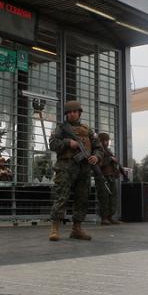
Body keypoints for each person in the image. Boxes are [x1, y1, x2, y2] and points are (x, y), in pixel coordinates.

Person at [48, 100, 102, 241]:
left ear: (79, 113)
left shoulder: (87, 129)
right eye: (69, 112)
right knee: (61, 196)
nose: (72, 114)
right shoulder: (61, 128)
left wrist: (96, 157)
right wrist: (68, 143)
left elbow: (98, 147)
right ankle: (55, 228)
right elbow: (53, 144)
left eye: (74, 112)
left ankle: (76, 229)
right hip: (65, 167)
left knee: (82, 198)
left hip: (84, 168)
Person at [96, 132, 121, 225]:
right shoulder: (98, 151)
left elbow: (113, 163)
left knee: (112, 197)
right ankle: (104, 217)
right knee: (104, 197)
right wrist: (110, 159)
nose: (106, 142)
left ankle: (110, 216)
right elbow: (99, 164)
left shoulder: (108, 151)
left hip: (110, 176)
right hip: (102, 177)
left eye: (107, 140)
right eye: (104, 140)